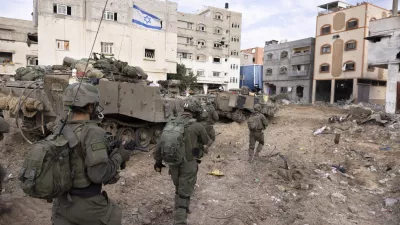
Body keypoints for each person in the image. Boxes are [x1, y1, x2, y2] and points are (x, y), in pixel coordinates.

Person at [52, 82, 131, 225]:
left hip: (60, 204)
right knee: (114, 215)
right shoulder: (93, 132)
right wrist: (120, 156)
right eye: (94, 104)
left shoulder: (59, 127)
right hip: (86, 204)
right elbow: (98, 175)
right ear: (89, 106)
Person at [154, 101, 213, 225]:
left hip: (173, 163)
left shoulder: (171, 123)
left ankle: (181, 208)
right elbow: (207, 141)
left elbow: (159, 145)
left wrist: (158, 162)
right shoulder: (197, 126)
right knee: (184, 194)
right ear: (195, 112)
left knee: (179, 189)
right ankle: (180, 219)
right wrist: (203, 148)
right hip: (189, 164)